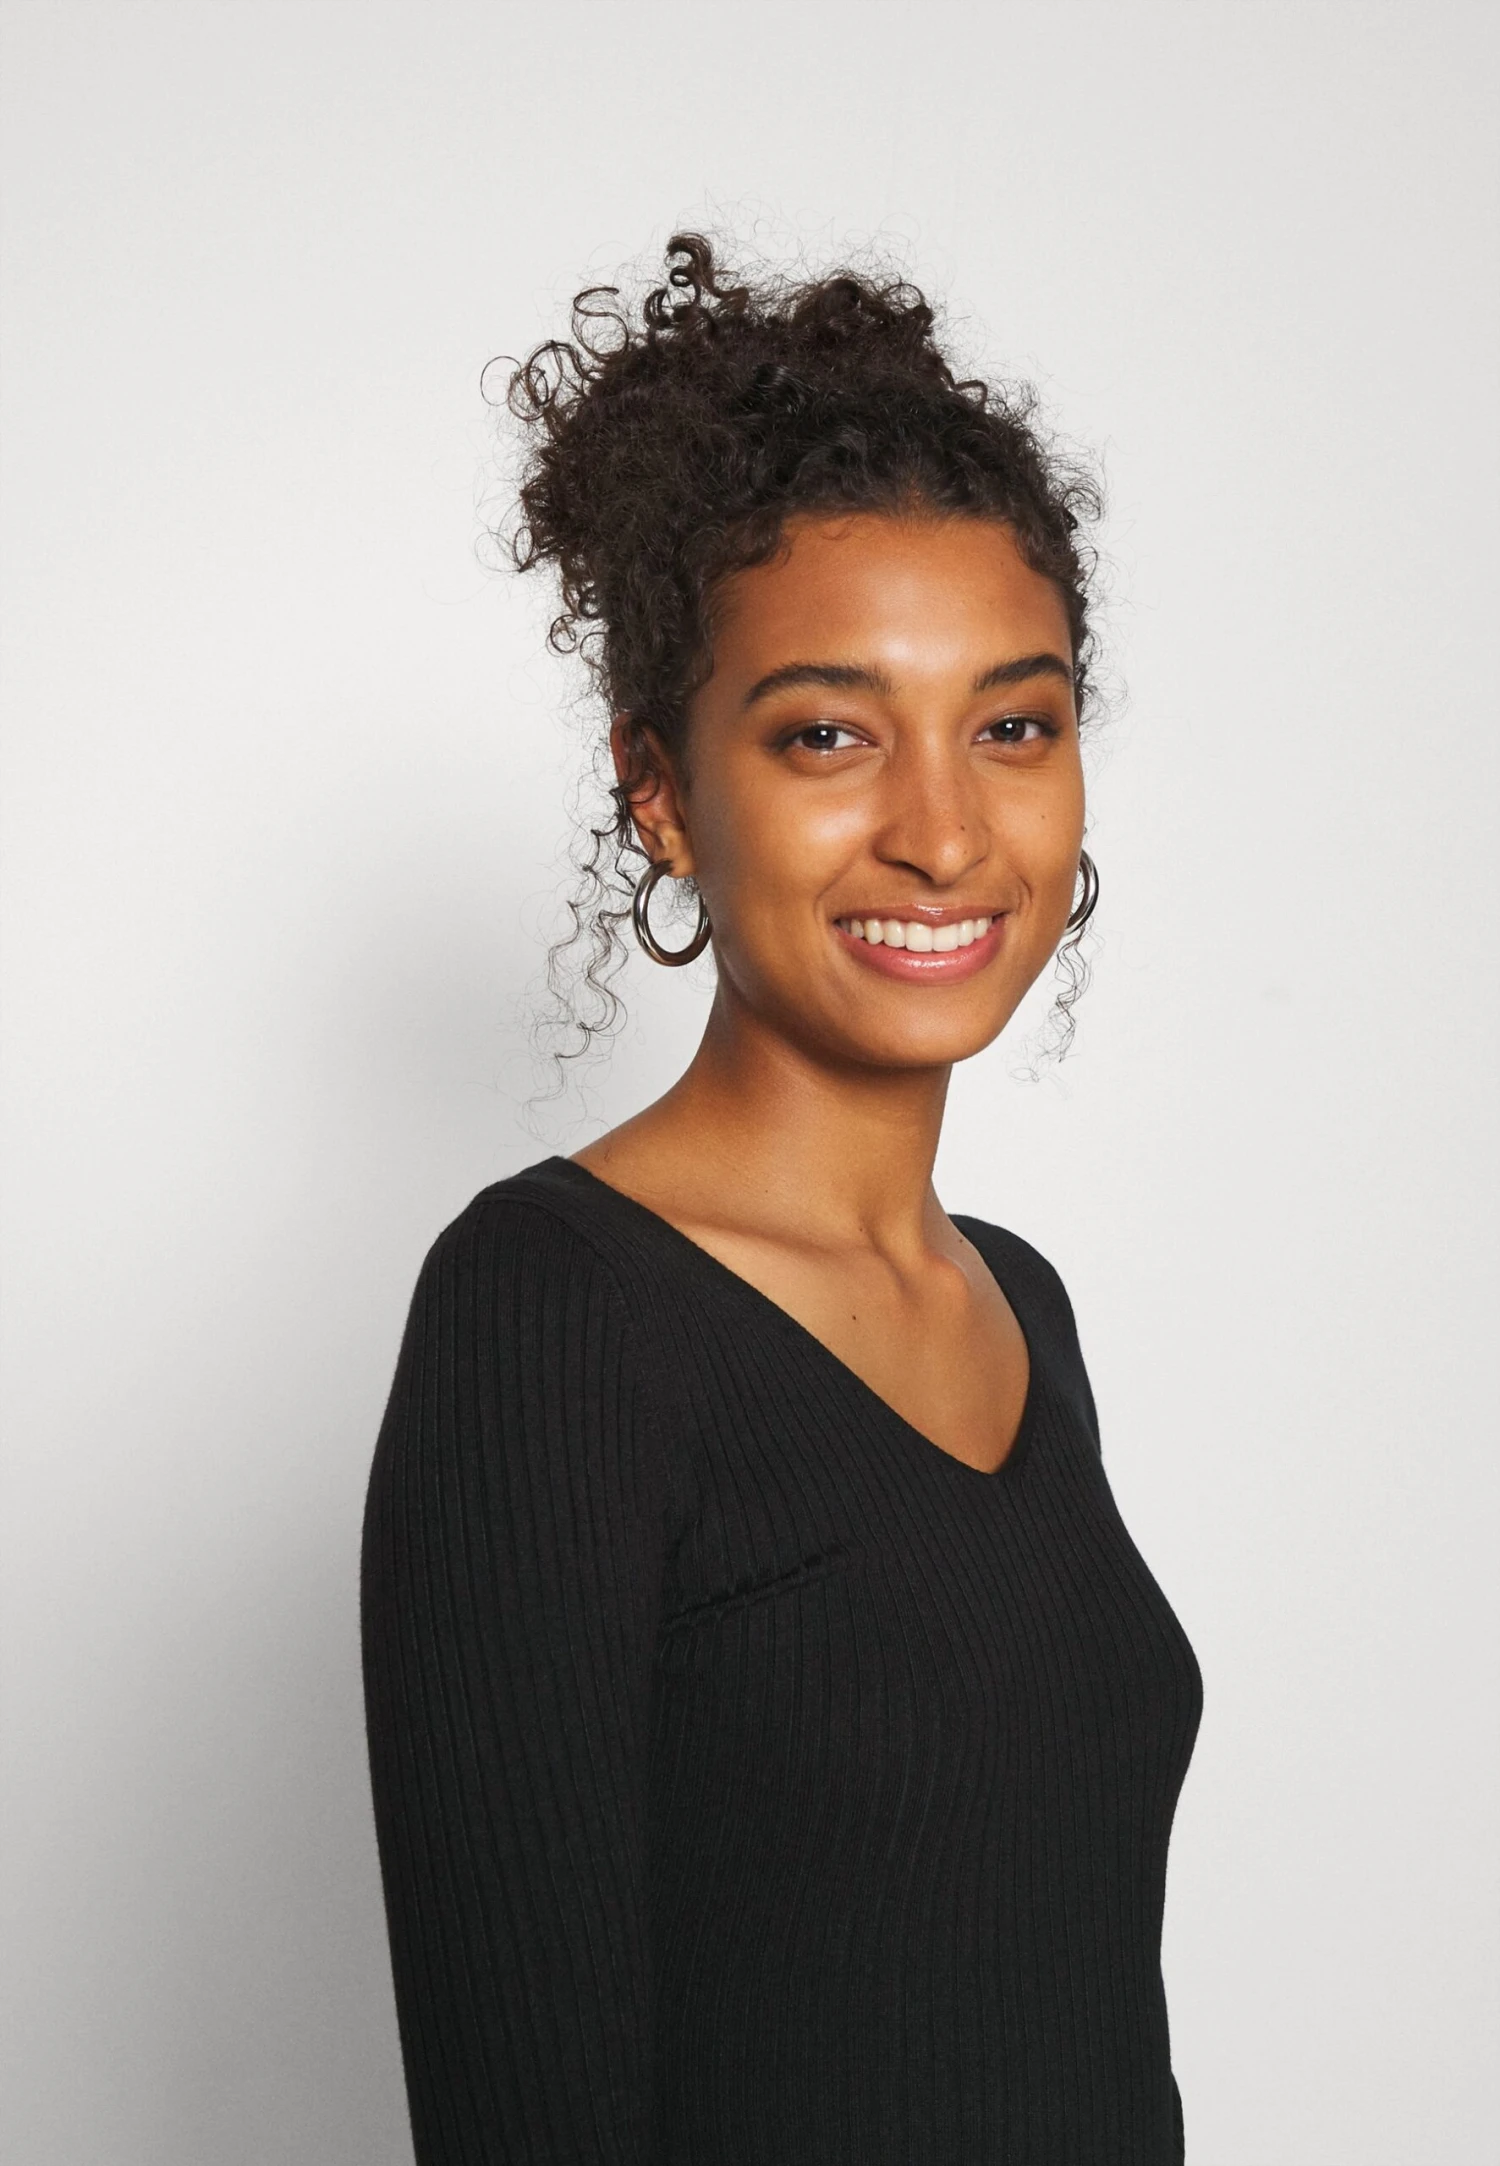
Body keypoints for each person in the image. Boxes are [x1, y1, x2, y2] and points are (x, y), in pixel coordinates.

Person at [360, 233, 1203, 2166]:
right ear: (662, 789)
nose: (944, 829)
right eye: (830, 733)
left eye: (1014, 724)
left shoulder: (1020, 1306)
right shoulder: (552, 1316)